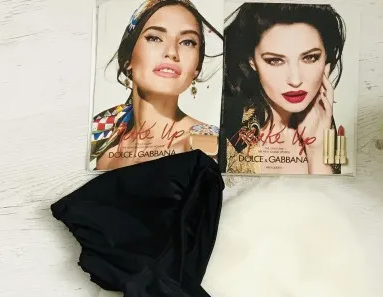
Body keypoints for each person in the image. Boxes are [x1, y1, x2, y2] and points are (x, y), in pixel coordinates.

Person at [91, 0, 221, 170]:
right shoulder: (105, 135)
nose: (172, 52)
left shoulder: (206, 145)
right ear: (128, 58)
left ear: (196, 68)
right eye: (155, 38)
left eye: (187, 42)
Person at [221, 3, 345, 175]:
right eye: (275, 61)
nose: (295, 80)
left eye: (310, 58)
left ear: (326, 61)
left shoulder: (324, 125)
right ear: (252, 61)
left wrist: (316, 149)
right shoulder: (227, 128)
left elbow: (327, 193)